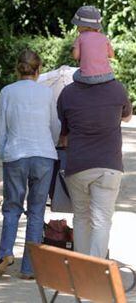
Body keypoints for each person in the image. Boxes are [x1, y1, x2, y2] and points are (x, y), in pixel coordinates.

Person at [0, 49, 60, 279]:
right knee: (36, 211)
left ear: (17, 68)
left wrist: (2, 153)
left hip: (16, 155)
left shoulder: (7, 92)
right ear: (38, 69)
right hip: (43, 155)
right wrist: (49, 146)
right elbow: (54, 125)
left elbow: (0, 127)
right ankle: (29, 267)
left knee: (12, 207)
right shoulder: (46, 93)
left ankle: (5, 254)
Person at [57, 74, 132, 258]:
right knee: (102, 221)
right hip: (109, 166)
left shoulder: (68, 93)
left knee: (81, 218)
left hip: (78, 165)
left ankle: (81, 268)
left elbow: (63, 132)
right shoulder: (117, 89)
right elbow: (128, 116)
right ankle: (96, 269)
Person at [71, 5, 115, 85]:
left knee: (75, 75)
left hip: (88, 78)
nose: (77, 28)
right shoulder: (104, 37)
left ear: (82, 26)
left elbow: (75, 56)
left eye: (78, 25)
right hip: (108, 76)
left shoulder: (80, 38)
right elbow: (112, 55)